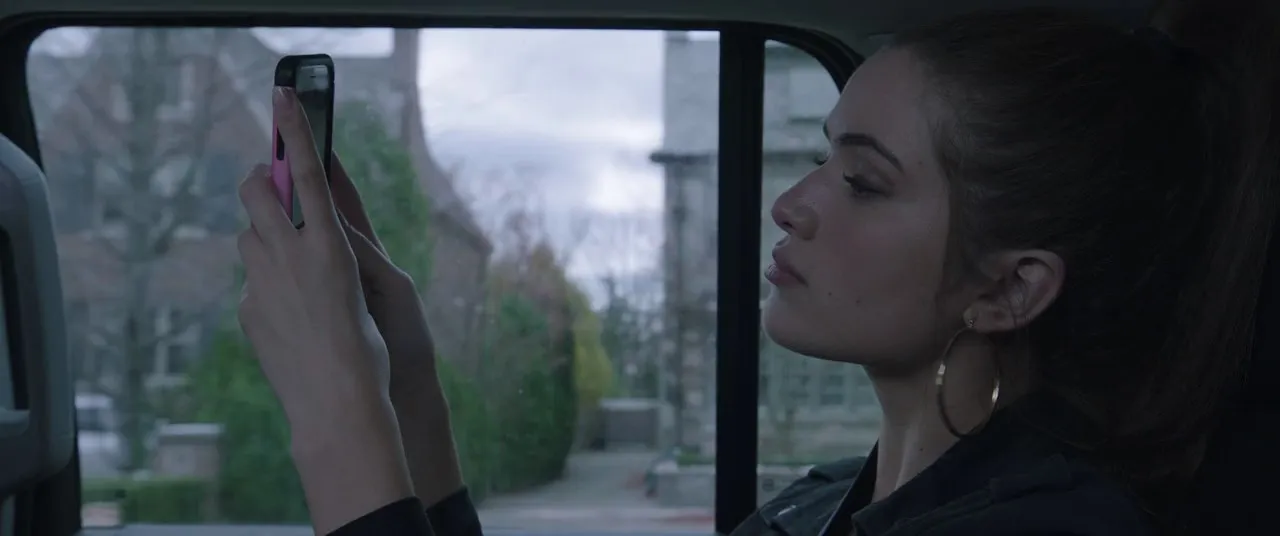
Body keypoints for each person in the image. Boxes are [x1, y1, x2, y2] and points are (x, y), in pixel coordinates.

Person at [234, 0, 1280, 534]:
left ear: (1009, 288)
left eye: (862, 181)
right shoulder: (822, 502)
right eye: (823, 156)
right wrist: (408, 382)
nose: (791, 202)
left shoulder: (1049, 529)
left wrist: (333, 412)